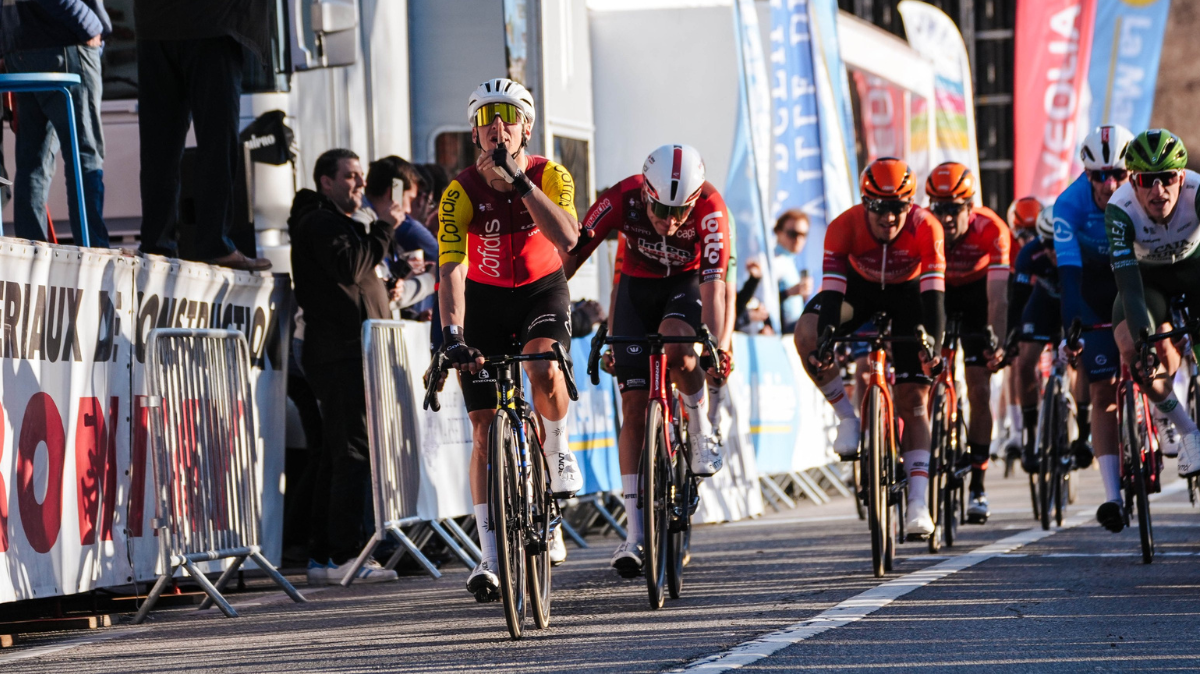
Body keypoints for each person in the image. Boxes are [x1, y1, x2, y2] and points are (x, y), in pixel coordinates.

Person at [437, 78, 583, 599]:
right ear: (475, 133)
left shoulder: (551, 173)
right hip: (486, 300)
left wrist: (520, 181)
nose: (497, 128)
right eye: (485, 120)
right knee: (482, 429)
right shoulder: (459, 191)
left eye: (508, 117)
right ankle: (489, 555)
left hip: (542, 292)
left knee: (542, 368)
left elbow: (568, 237)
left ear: (526, 127)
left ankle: (560, 449)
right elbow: (451, 268)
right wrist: (452, 333)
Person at [567, 143, 730, 577]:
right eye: (661, 209)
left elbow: (715, 283)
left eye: (682, 212)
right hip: (636, 295)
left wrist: (713, 342)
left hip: (685, 287)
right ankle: (635, 534)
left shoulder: (711, 207)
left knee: (681, 348)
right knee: (634, 410)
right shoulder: (620, 197)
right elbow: (573, 254)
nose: (672, 221)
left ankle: (699, 429)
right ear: (645, 191)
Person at [794, 157, 945, 537]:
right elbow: (831, 293)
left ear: (910, 205)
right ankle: (847, 416)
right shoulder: (843, 226)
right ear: (865, 202)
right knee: (807, 333)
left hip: (910, 297)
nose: (890, 217)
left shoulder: (927, 226)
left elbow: (934, 298)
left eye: (899, 207)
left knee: (913, 400)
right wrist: (826, 338)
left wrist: (934, 344)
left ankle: (918, 503)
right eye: (879, 207)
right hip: (857, 291)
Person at [289, 148, 399, 585]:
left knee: (339, 455)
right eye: (350, 176)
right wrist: (385, 227)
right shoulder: (319, 222)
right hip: (338, 354)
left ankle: (323, 557)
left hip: (353, 352)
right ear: (326, 182)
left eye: (361, 176)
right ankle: (342, 555)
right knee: (351, 453)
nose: (359, 184)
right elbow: (351, 267)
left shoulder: (342, 224)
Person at [1105, 129, 1200, 530]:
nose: (1158, 190)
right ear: (1132, 181)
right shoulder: (1120, 209)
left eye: (1167, 178)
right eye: (1146, 180)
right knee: (1130, 343)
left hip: (1196, 272)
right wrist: (1145, 341)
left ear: (1182, 177)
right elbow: (1128, 287)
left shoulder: (1198, 192)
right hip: (1149, 281)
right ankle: (1186, 429)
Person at [134, 0, 272, 271]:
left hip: (155, 24)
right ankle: (214, 245)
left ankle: (157, 245)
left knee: (159, 147)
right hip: (211, 24)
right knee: (216, 143)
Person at [1052, 125, 1136, 530]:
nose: (1110, 184)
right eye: (1099, 175)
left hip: (1135, 278)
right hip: (1092, 285)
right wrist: (1073, 328)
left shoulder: (1143, 196)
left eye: (1118, 173)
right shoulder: (1067, 205)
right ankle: (1112, 496)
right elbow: (1069, 276)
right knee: (1102, 387)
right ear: (1086, 175)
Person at [924, 162, 1009, 523]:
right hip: (940, 295)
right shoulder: (925, 228)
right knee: (926, 374)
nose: (945, 217)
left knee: (978, 389)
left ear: (970, 206)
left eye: (954, 209)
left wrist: (997, 343)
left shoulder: (993, 229)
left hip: (977, 296)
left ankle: (978, 483)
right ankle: (927, 449)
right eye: (938, 208)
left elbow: (998, 299)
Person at [1, 0, 110, 247]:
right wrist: (90, 24)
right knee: (84, 156)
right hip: (62, 46)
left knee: (32, 162)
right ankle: (92, 258)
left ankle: (30, 260)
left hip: (21, 49)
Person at [773, 209, 813, 333]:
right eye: (792, 233)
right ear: (778, 232)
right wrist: (789, 293)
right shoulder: (775, 261)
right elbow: (762, 301)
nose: (798, 240)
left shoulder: (791, 260)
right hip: (779, 332)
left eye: (803, 235)